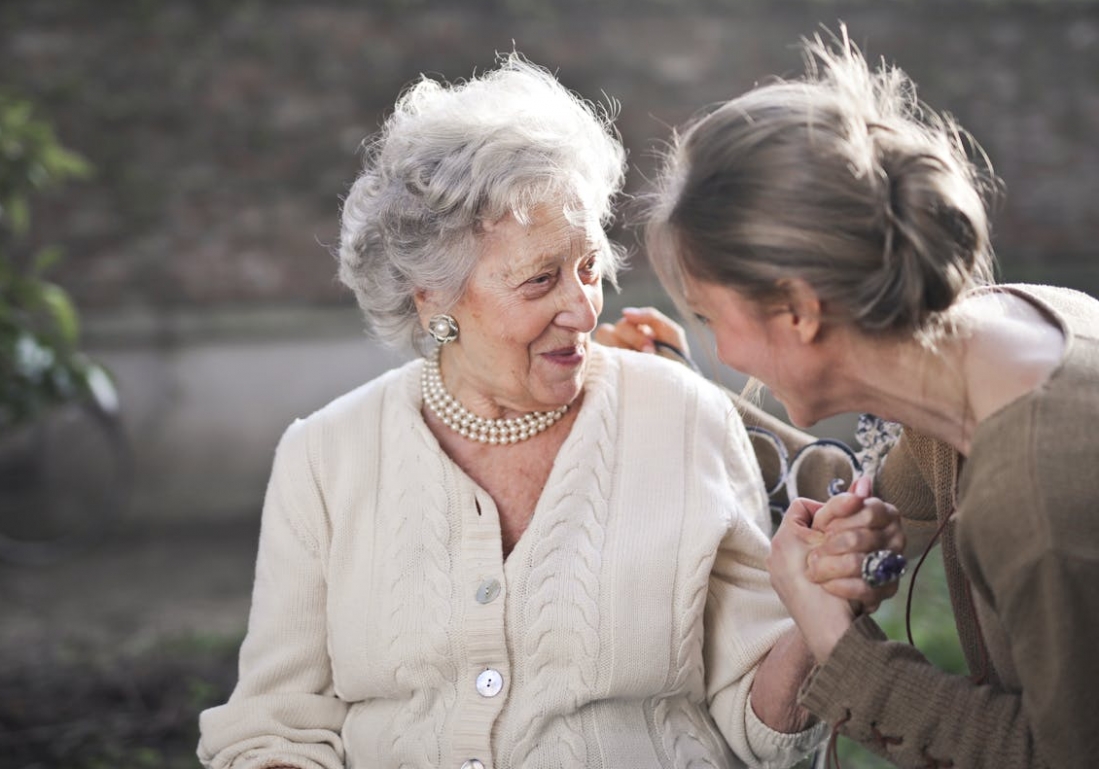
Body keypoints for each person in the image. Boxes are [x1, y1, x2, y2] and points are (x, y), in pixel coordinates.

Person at [196, 54, 905, 769]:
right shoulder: (324, 457)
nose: (583, 306)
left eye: (589, 267)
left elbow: (762, 730)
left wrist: (816, 604)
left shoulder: (681, 417)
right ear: (431, 297)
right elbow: (276, 723)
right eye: (540, 279)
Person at [635, 27, 1099, 769]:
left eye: (713, 318)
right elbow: (865, 497)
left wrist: (837, 644)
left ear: (796, 309)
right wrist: (672, 387)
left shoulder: (1037, 494)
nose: (723, 352)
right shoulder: (999, 337)